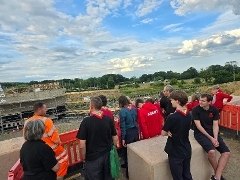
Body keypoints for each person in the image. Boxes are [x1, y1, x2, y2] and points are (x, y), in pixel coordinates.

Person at [76, 96, 118, 180]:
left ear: (91, 106)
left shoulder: (86, 122)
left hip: (93, 158)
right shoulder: (108, 119)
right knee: (108, 177)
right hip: (107, 154)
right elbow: (115, 137)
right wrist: (113, 149)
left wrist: (84, 158)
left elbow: (81, 144)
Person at [25, 102, 68, 180]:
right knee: (63, 161)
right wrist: (59, 143)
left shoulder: (27, 122)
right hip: (53, 151)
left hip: (36, 154)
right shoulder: (46, 121)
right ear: (39, 110)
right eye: (45, 108)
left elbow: (26, 138)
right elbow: (55, 139)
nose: (46, 110)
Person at [192, 94, 230, 180]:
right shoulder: (195, 110)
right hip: (200, 133)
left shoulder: (215, 110)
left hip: (213, 133)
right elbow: (199, 126)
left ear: (209, 102)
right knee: (212, 152)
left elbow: (215, 125)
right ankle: (219, 177)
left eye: (203, 101)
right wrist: (211, 138)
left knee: (226, 153)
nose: (200, 102)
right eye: (200, 100)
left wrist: (215, 138)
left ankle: (217, 177)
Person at [161, 90, 193, 180]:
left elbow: (163, 133)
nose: (171, 102)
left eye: (172, 100)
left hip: (176, 152)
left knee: (178, 177)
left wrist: (168, 131)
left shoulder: (172, 117)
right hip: (186, 149)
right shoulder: (189, 114)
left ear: (177, 101)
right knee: (187, 175)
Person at [118, 95, 139, 178]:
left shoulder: (122, 111)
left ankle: (129, 174)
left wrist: (123, 138)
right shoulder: (134, 109)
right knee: (135, 152)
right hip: (135, 131)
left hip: (128, 132)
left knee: (127, 153)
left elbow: (122, 126)